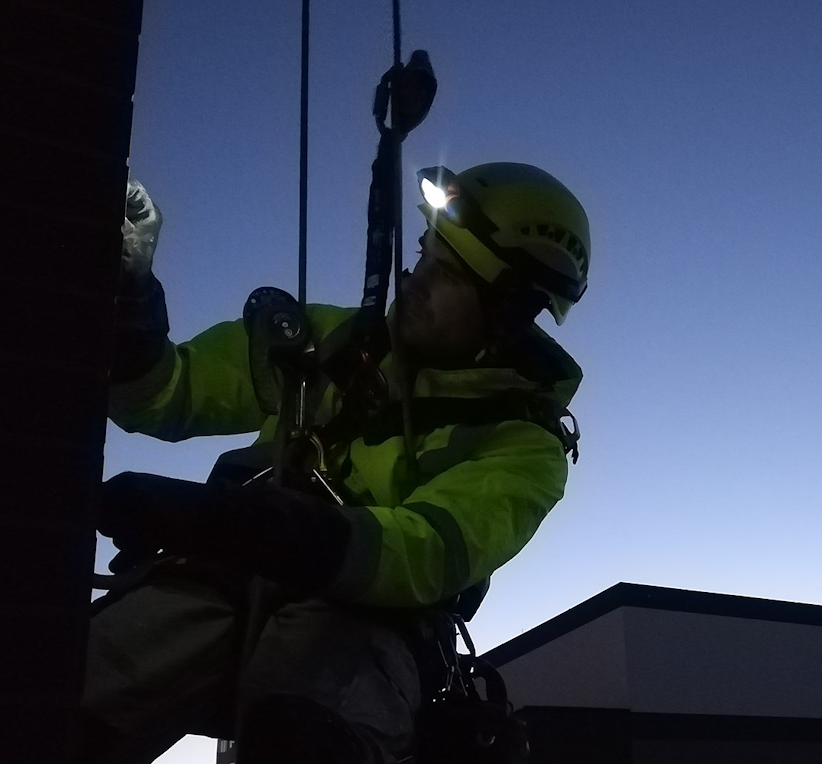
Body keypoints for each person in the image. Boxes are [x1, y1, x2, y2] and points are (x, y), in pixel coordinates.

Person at [81, 162, 590, 763]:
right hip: (226, 577)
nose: (417, 278)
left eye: (448, 272)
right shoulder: (333, 340)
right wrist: (129, 292)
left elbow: (426, 553)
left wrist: (251, 523)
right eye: (426, 252)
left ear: (508, 313)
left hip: (370, 628)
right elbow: (167, 394)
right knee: (74, 686)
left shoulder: (524, 447)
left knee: (313, 733)